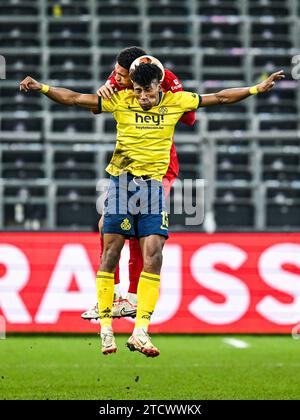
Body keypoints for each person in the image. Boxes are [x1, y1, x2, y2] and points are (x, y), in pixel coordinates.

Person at [20, 65, 285, 357]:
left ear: (160, 85)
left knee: (155, 255)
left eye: (147, 91)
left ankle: (140, 331)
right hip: (121, 184)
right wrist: (42, 87)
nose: (143, 97)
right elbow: (74, 99)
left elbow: (220, 98)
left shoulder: (177, 101)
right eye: (138, 91)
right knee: (111, 252)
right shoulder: (121, 100)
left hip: (153, 189)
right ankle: (106, 329)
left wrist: (255, 89)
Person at [81, 46, 196, 321]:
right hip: (130, 166)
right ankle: (115, 297)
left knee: (139, 232)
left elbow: (190, 117)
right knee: (105, 225)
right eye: (116, 74)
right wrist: (107, 89)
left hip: (161, 167)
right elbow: (96, 106)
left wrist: (165, 100)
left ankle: (132, 298)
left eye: (120, 76)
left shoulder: (165, 79)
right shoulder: (121, 80)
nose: (115, 78)